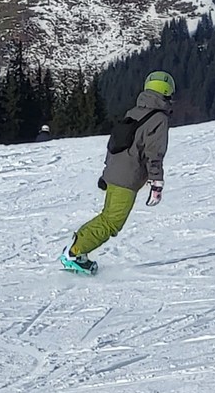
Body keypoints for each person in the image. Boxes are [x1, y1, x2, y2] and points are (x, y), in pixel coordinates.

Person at [61, 71, 172, 274]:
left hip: (115, 173)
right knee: (112, 221)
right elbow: (154, 153)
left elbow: (115, 145)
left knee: (107, 216)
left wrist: (106, 173)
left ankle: (77, 248)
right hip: (126, 178)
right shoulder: (159, 119)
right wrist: (157, 183)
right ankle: (75, 252)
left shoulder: (134, 112)